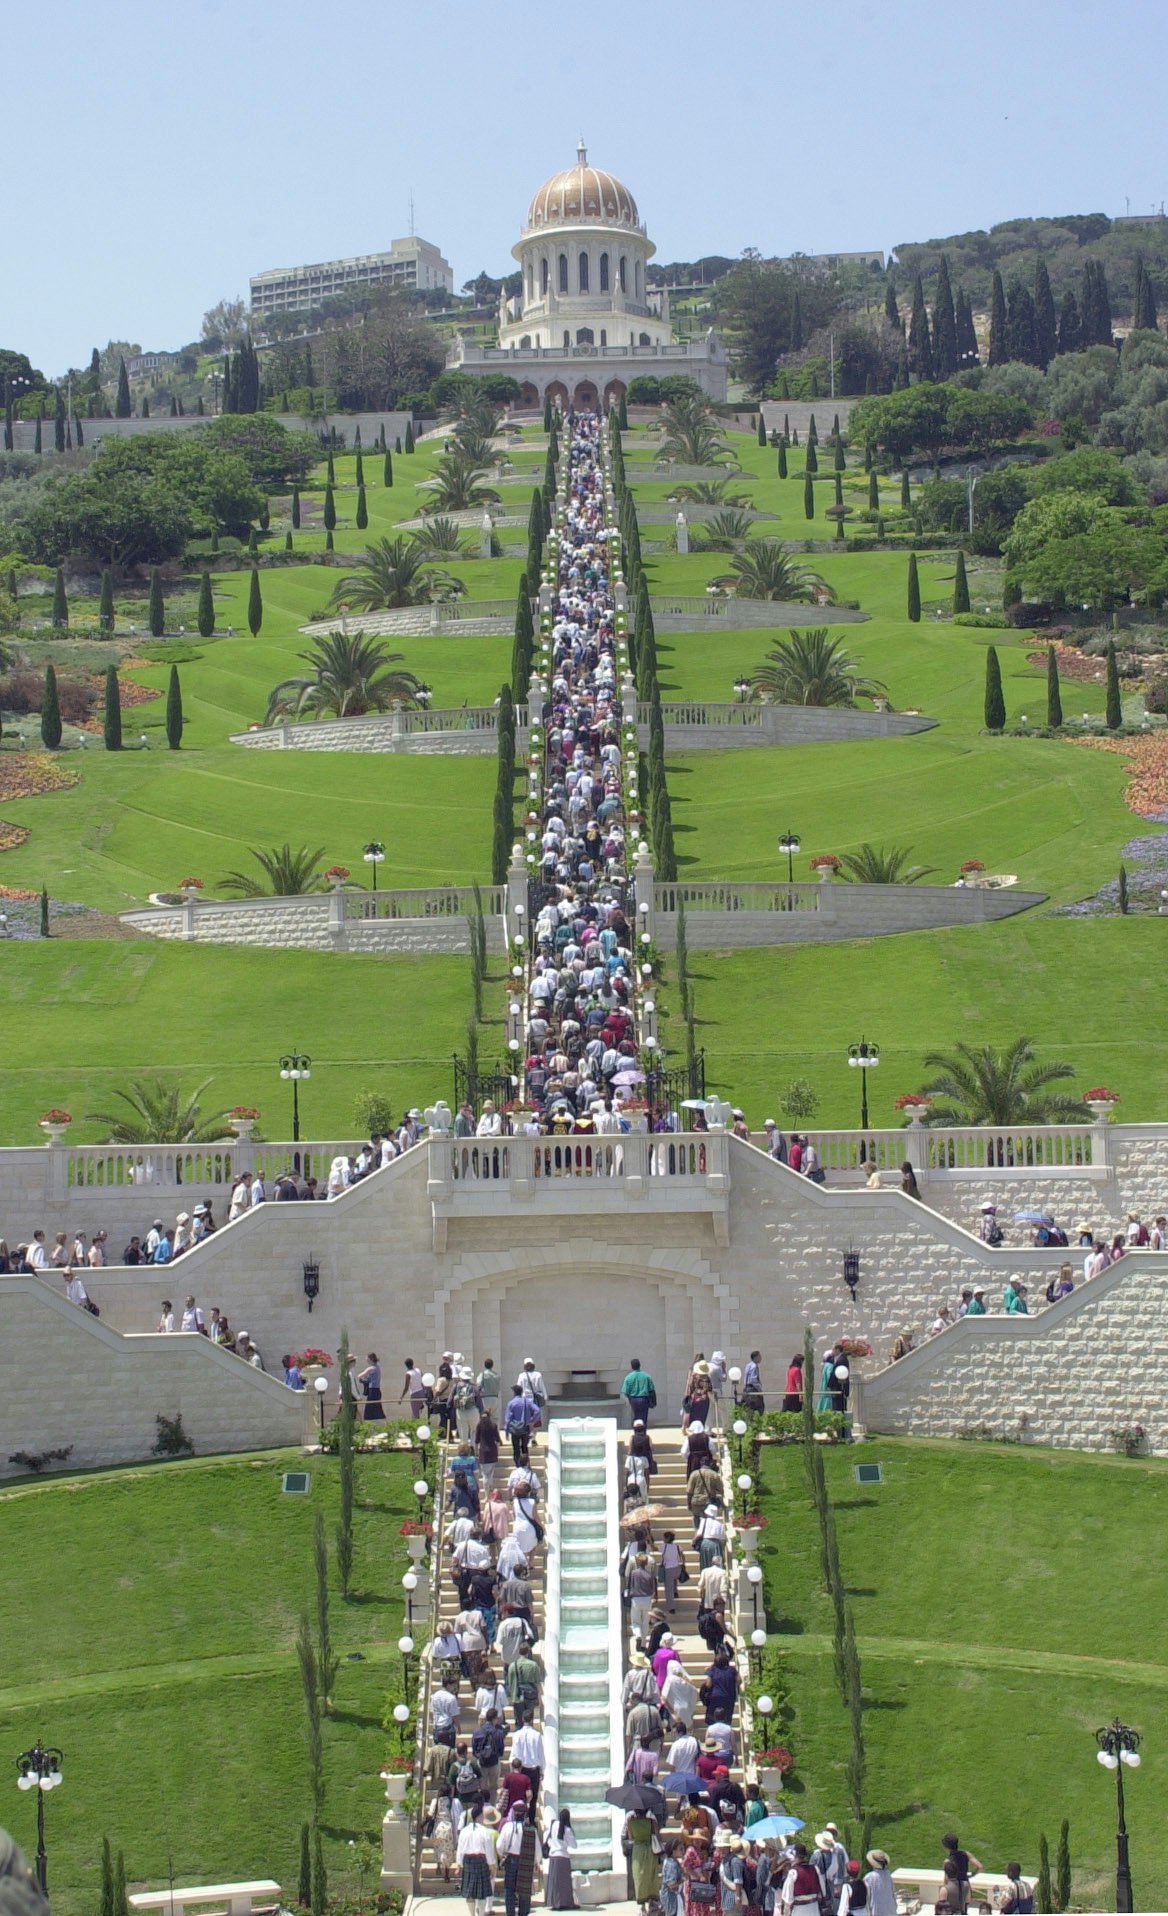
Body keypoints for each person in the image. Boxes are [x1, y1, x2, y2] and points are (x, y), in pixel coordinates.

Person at [456, 1802, 497, 1916]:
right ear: (479, 1816)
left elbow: (460, 1849)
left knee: (470, 1892)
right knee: (481, 1893)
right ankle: (481, 1914)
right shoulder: (485, 1831)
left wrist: (459, 1864)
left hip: (468, 1861)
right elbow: (489, 1851)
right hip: (481, 1861)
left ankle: (472, 1914)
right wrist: (492, 1865)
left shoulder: (464, 1831)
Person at [624, 1809, 661, 1913]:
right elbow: (656, 1834)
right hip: (650, 1850)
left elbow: (631, 1837)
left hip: (638, 1851)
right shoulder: (651, 1819)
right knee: (651, 1876)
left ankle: (642, 1906)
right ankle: (651, 1902)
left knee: (639, 1877)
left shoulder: (630, 1819)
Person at [544, 1806, 578, 1910]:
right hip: (563, 1857)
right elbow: (574, 1845)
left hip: (553, 1856)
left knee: (554, 1881)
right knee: (565, 1882)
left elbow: (548, 1838)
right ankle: (566, 1902)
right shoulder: (567, 1830)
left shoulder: (554, 1825)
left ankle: (555, 1903)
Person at [940, 1833, 981, 1914]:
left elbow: (946, 1880)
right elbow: (980, 1867)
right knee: (964, 1910)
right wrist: (972, 1875)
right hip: (965, 1888)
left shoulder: (947, 1862)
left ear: (946, 1847)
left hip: (953, 1890)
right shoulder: (966, 1854)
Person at [428, 1786, 457, 1880]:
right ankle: (446, 1875)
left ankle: (438, 1866)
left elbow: (430, 1814)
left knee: (438, 1847)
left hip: (438, 1827)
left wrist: (423, 1824)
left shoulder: (435, 1801)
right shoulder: (453, 1801)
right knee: (448, 1850)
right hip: (448, 1827)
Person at [622, 1356, 656, 1425]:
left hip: (633, 1399)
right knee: (644, 1418)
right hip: (644, 1399)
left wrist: (630, 1399)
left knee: (636, 1417)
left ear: (632, 1367)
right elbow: (652, 1390)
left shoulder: (628, 1377)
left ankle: (637, 1433)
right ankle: (643, 1433)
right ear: (640, 1365)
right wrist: (654, 1401)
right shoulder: (647, 1376)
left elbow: (625, 1392)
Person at [862, 1850, 897, 1916]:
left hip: (877, 1911)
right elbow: (893, 1894)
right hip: (890, 1911)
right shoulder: (888, 1874)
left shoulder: (869, 1877)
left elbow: (866, 1898)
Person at [358, 1353, 385, 1419]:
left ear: (371, 1359)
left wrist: (363, 1379)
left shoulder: (371, 1368)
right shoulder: (377, 1367)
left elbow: (359, 1376)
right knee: (377, 1408)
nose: (366, 1360)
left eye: (367, 1359)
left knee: (369, 1409)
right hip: (377, 1390)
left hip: (372, 1390)